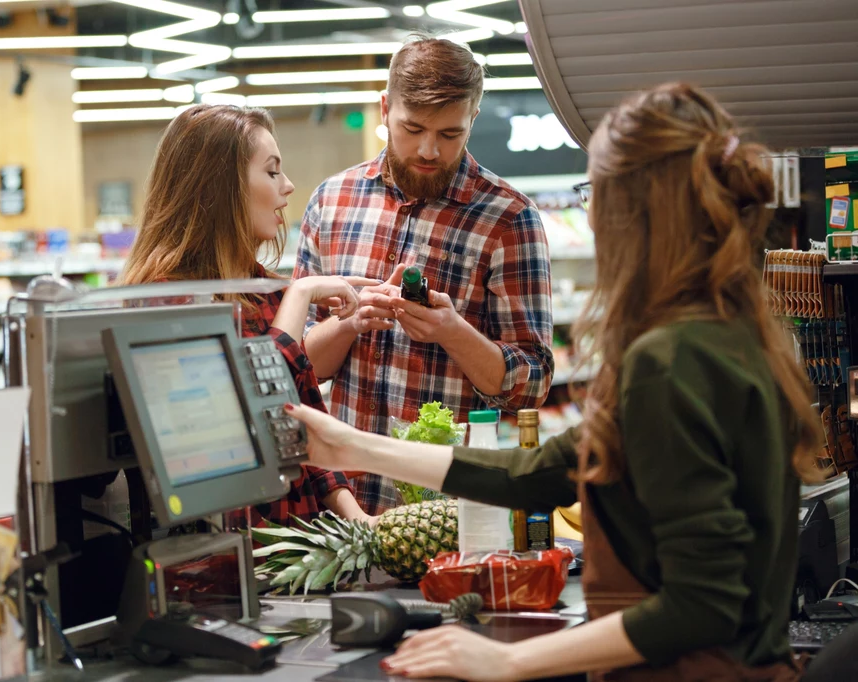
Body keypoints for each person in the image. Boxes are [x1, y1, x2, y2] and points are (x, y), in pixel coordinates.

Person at [283, 82, 823, 681]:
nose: (590, 213)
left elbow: (704, 605)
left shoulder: (670, 361)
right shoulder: (725, 333)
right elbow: (541, 473)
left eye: (595, 192)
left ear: (635, 211)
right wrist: (349, 445)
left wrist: (509, 661)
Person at [295, 35, 554, 516]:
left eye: (450, 134)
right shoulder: (331, 202)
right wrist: (350, 323)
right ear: (384, 108)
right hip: (342, 506)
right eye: (412, 128)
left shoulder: (509, 219)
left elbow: (532, 384)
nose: (429, 149)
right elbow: (301, 366)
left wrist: (454, 334)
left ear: (473, 119)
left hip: (451, 514)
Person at [120, 104, 378, 529]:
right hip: (226, 558)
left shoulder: (260, 289)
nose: (289, 186)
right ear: (221, 188)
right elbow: (246, 416)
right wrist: (301, 293)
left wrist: (359, 519)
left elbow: (303, 423)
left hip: (298, 548)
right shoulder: (166, 300)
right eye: (272, 171)